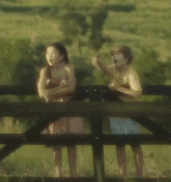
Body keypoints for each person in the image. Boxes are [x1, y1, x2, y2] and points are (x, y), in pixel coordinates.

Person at [92, 45, 144, 178]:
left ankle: (139, 175)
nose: (113, 57)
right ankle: (123, 175)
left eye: (117, 55)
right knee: (119, 146)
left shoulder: (131, 73)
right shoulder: (114, 69)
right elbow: (104, 68)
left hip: (130, 116)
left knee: (135, 145)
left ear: (126, 59)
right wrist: (97, 61)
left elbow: (137, 92)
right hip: (115, 116)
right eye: (113, 55)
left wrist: (118, 89)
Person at [37, 42, 85, 178]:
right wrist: (60, 89)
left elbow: (71, 88)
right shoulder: (45, 71)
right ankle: (58, 173)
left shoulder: (68, 68)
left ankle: (73, 173)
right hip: (54, 110)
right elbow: (41, 92)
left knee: (71, 142)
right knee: (56, 143)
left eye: (53, 53)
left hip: (70, 109)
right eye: (48, 53)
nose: (50, 56)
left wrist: (51, 92)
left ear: (62, 55)